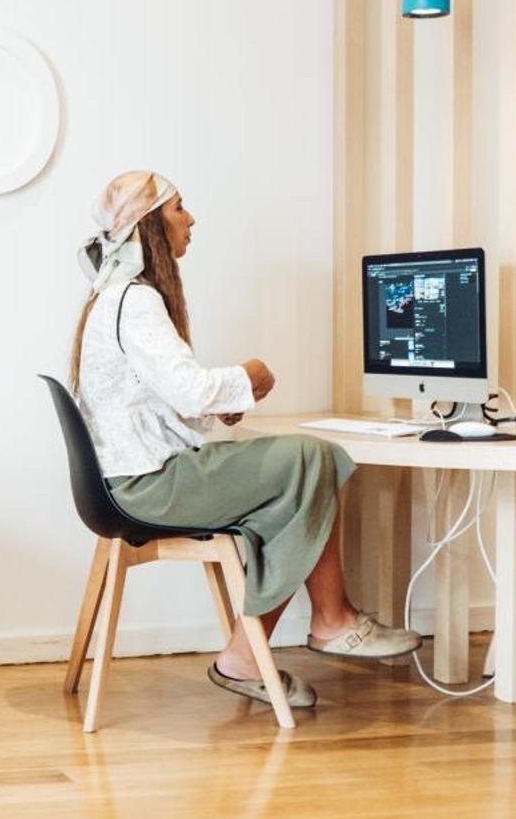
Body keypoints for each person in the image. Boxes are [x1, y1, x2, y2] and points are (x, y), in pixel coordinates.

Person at [69, 171, 420, 710]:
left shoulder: (111, 297)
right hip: (146, 488)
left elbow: (156, 402)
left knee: (297, 480)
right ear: (150, 225)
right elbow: (190, 389)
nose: (191, 219)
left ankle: (249, 654)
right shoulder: (134, 300)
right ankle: (332, 620)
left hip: (127, 483)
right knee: (314, 457)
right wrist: (248, 374)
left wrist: (221, 405)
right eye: (179, 208)